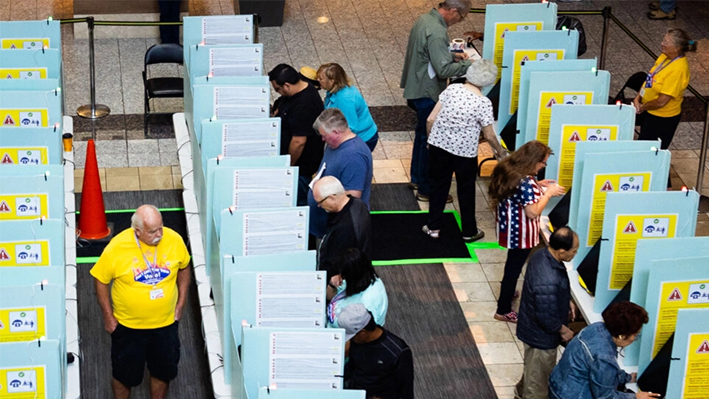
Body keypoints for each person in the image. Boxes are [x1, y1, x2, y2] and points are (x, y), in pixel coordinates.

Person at [90, 205, 191, 399]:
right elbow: (100, 279)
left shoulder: (174, 240)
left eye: (160, 227)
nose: (159, 234)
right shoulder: (117, 247)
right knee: (123, 375)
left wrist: (181, 305)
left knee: (163, 371)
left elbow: (184, 267)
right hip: (129, 328)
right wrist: (108, 318)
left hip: (166, 324)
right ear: (137, 231)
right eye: (153, 231)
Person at [422, 59, 507, 242]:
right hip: (464, 154)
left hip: (439, 146)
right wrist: (500, 153)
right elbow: (489, 135)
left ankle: (433, 227)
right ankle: (469, 231)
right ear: (488, 81)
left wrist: (431, 140)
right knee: (466, 190)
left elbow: (430, 119)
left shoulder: (452, 89)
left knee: (438, 186)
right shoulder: (483, 102)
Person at [401, 0, 473, 202]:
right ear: (454, 10)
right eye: (462, 17)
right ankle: (426, 188)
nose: (460, 21)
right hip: (428, 91)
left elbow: (429, 54)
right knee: (429, 141)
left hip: (416, 85)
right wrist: (468, 65)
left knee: (421, 135)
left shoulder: (424, 19)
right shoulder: (438, 31)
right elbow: (442, 70)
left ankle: (416, 178)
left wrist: (451, 55)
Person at [488, 140, 566, 323]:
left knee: (512, 265)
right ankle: (503, 309)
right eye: (543, 162)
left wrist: (538, 184)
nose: (543, 166)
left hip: (509, 228)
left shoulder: (510, 168)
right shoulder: (526, 182)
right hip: (521, 233)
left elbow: (517, 191)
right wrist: (547, 194)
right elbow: (532, 212)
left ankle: (508, 288)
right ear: (533, 161)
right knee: (514, 268)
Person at [515, 227, 580, 399]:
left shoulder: (541, 255)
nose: (575, 253)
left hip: (531, 329)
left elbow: (548, 296)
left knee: (532, 369)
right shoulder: (548, 277)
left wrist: (566, 300)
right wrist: (563, 330)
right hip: (540, 338)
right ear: (561, 251)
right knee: (538, 384)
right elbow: (545, 314)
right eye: (574, 251)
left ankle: (519, 393)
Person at [549, 301, 660, 399]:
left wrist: (628, 377)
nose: (634, 339)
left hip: (557, 385)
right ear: (621, 336)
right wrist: (636, 397)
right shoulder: (604, 357)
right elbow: (605, 396)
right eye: (635, 335)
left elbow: (599, 372)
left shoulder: (595, 328)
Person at [308, 108, 373, 239]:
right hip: (324, 226)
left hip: (334, 231)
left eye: (324, 136)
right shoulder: (334, 145)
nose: (322, 139)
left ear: (335, 132)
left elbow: (351, 199)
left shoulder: (354, 157)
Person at [269, 63, 325, 206]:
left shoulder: (305, 105)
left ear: (287, 85)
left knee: (295, 200)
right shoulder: (297, 90)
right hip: (294, 163)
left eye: (278, 89)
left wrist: (288, 167)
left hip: (300, 167)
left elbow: (298, 142)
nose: (278, 92)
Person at [633, 29, 695, 151]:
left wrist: (643, 107)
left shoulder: (678, 70)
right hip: (649, 111)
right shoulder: (664, 57)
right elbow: (649, 79)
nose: (662, 43)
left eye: (666, 42)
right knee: (642, 145)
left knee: (648, 151)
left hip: (662, 119)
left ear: (676, 48)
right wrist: (637, 99)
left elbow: (662, 101)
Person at [338, 303, 413, 399]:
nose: (350, 340)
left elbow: (406, 392)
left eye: (352, 337)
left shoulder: (398, 352)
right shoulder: (357, 341)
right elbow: (352, 368)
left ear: (362, 333)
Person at [313, 176, 372, 275]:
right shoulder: (358, 203)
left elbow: (334, 262)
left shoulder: (343, 229)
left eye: (320, 202)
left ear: (332, 198)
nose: (320, 206)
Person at [317, 63, 379, 152]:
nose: (317, 80)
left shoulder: (345, 99)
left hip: (363, 139)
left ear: (332, 81)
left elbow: (350, 127)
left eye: (321, 78)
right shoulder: (335, 90)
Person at [325, 248, 387, 328]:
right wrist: (332, 285)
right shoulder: (358, 277)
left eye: (343, 275)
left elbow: (361, 336)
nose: (340, 277)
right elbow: (330, 297)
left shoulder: (366, 306)